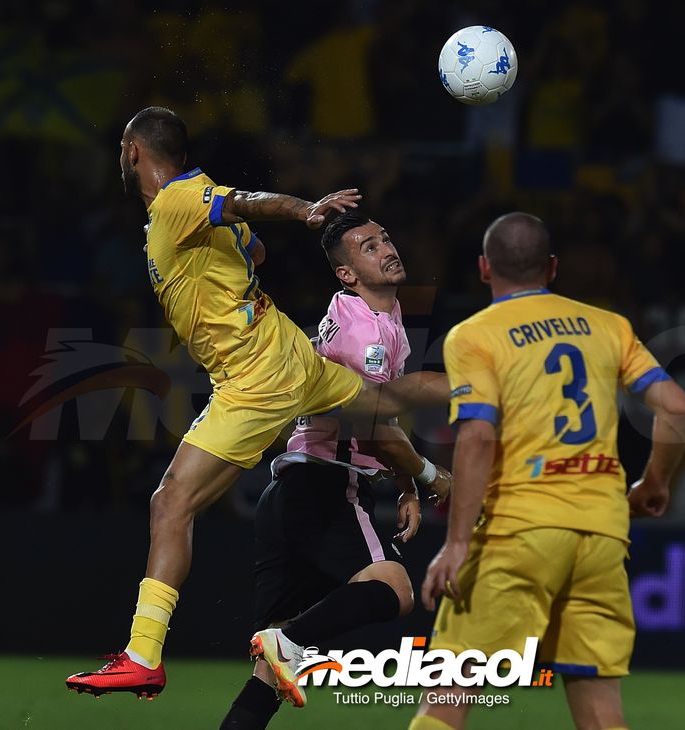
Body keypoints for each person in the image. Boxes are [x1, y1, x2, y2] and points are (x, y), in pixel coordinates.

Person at [66, 107, 448, 699]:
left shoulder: (176, 199)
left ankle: (143, 652)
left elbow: (239, 202)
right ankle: (437, 468)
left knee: (171, 502)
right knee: (375, 406)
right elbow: (255, 249)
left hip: (254, 376)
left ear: (133, 150)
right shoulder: (186, 216)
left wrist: (303, 208)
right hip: (292, 354)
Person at [408, 213, 685, 730]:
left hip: (521, 530)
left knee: (448, 694)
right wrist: (653, 483)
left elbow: (476, 435)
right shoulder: (610, 326)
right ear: (553, 268)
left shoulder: (474, 335)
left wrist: (456, 544)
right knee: (602, 712)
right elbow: (676, 407)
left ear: (483, 268)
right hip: (603, 536)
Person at [220, 211, 451, 727]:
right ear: (346, 273)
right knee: (395, 589)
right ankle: (290, 643)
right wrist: (433, 478)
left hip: (291, 489)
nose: (386, 248)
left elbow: (383, 416)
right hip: (326, 485)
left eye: (385, 237)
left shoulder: (375, 317)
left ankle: (284, 646)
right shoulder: (362, 335)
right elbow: (370, 426)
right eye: (368, 247)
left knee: (268, 675)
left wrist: (408, 487)